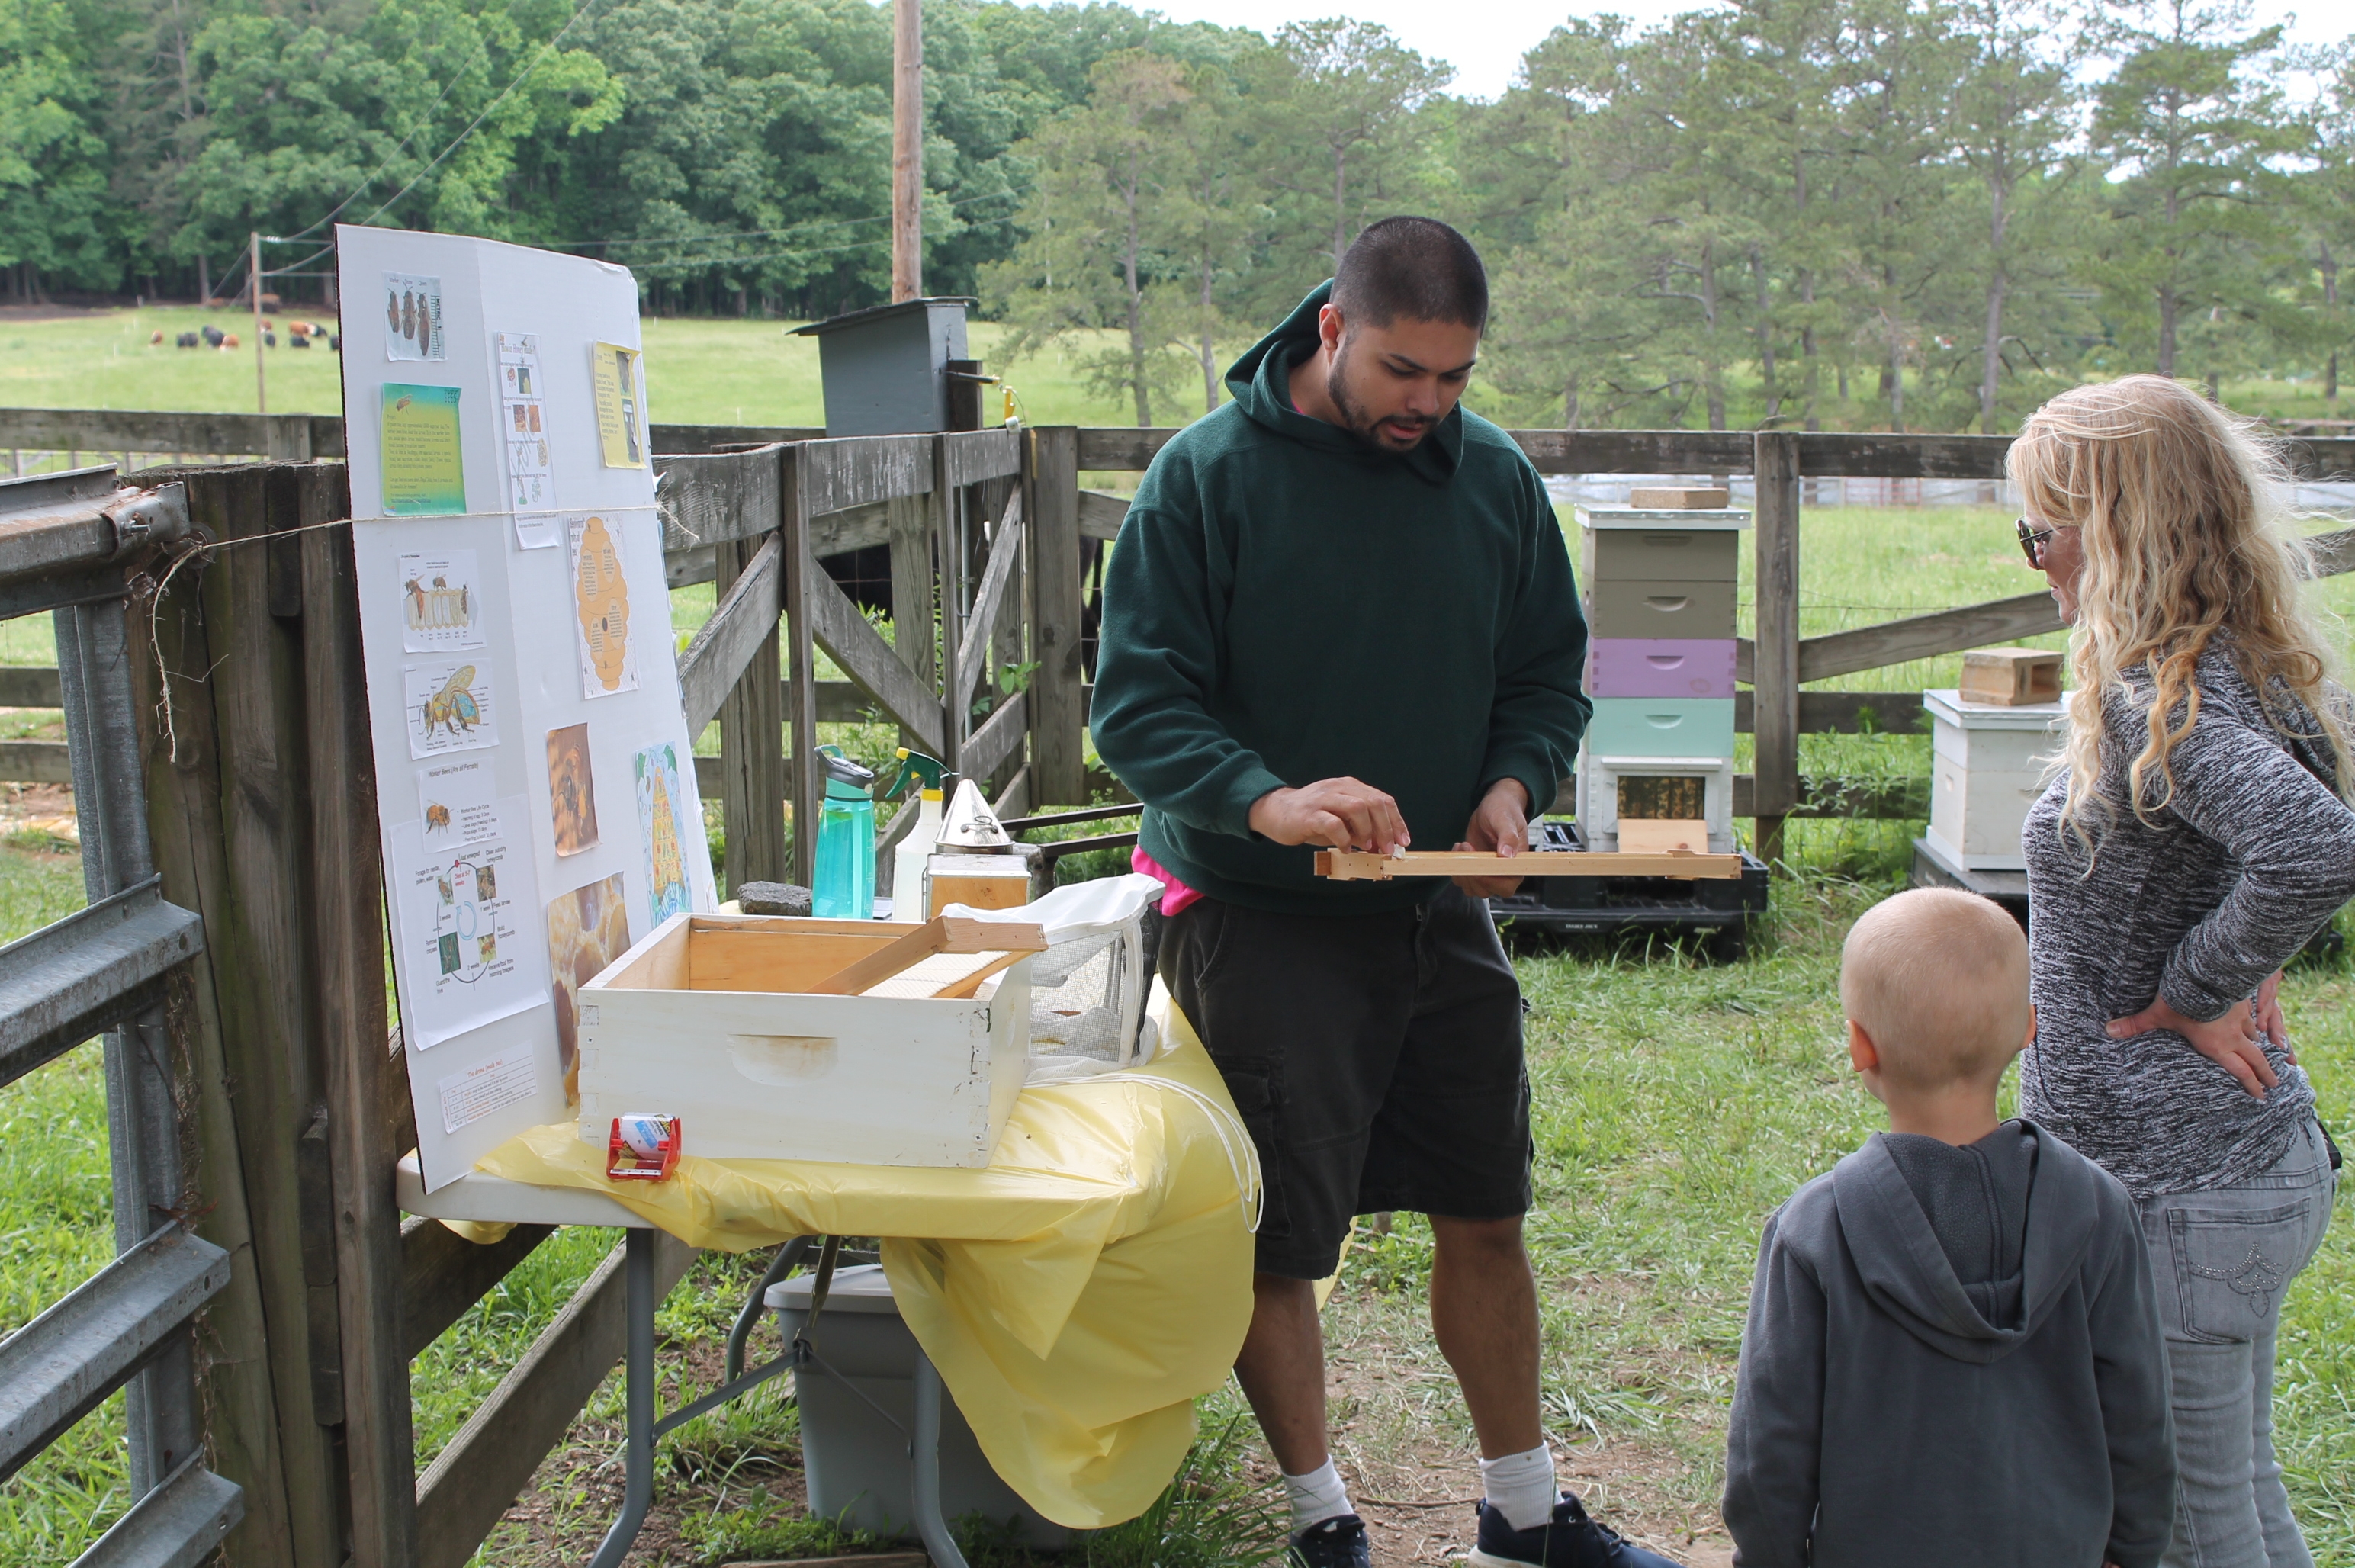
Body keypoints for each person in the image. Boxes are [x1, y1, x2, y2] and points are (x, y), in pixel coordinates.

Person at [1091, 217, 1669, 1568]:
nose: (1429, 403)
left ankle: (1521, 1510)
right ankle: (1321, 1520)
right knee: (1277, 1237)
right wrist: (1266, 797)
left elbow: (1543, 672)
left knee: (1486, 1203)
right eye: (1405, 371)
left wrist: (1513, 785)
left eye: (1454, 378)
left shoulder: (1494, 481)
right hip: (1257, 918)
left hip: (1435, 908)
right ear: (1333, 331)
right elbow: (1136, 704)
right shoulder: (1204, 480)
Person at [2012, 374, 2352, 1568]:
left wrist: (2194, 988)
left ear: (2112, 532)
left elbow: (2315, 848)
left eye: (2041, 531)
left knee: (2192, 1531)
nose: (2037, 560)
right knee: (2239, 1501)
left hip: (2185, 1187)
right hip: (2219, 1175)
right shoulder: (2232, 671)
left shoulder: (2171, 693)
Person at [1723, 888, 2177, 1568]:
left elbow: (1771, 1443)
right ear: (2029, 1027)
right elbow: (2140, 1411)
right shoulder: (2099, 1208)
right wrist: (2134, 1551)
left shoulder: (1814, 1230)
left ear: (1859, 1045)